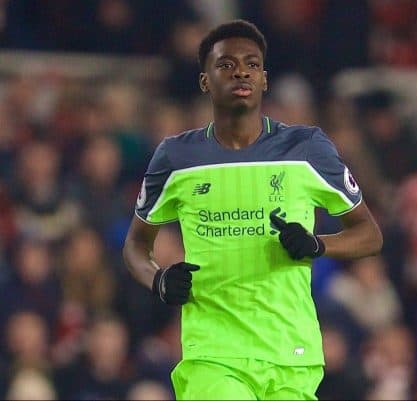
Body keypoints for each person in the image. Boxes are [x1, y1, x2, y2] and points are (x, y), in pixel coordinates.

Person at [122, 19, 382, 400]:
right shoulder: (177, 157)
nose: (241, 71)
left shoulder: (307, 149)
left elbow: (369, 234)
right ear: (205, 81)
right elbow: (135, 246)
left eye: (252, 64)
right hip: (214, 354)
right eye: (226, 64)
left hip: (292, 353)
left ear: (264, 79)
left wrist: (317, 245)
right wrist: (158, 280)